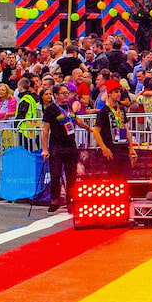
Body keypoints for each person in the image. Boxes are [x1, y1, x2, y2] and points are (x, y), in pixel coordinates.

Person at [41, 84, 91, 212]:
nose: (66, 95)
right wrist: (45, 149)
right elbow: (45, 130)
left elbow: (77, 120)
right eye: (63, 93)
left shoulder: (68, 108)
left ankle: (71, 201)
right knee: (56, 175)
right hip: (56, 146)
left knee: (71, 176)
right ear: (56, 95)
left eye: (67, 93)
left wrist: (90, 129)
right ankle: (54, 200)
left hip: (70, 145)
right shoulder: (50, 109)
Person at [90, 84, 137, 181]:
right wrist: (104, 148)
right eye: (116, 92)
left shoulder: (122, 109)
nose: (119, 94)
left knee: (127, 178)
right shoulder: (104, 111)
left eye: (120, 92)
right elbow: (96, 131)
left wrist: (131, 147)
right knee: (115, 179)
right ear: (109, 94)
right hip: (112, 150)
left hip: (123, 148)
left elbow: (125, 128)